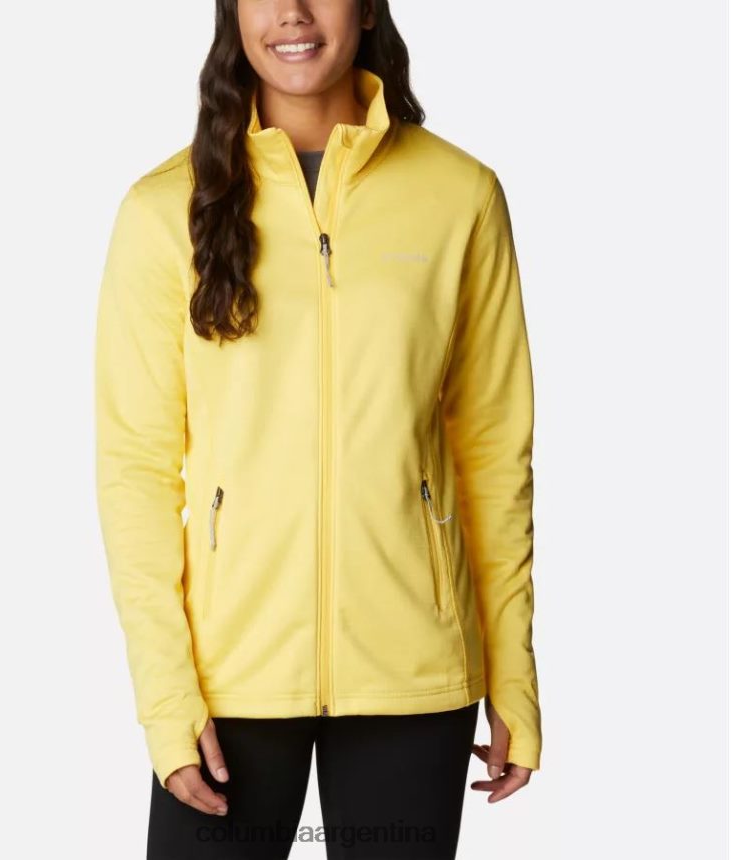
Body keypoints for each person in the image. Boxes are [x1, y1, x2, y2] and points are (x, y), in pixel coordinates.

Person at [94, 1, 543, 857]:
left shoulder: (460, 196)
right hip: (227, 678)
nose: (292, 13)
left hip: (413, 670)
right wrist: (166, 693)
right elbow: (136, 469)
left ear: (368, 7)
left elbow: (494, 451)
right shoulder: (163, 209)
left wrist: (513, 675)